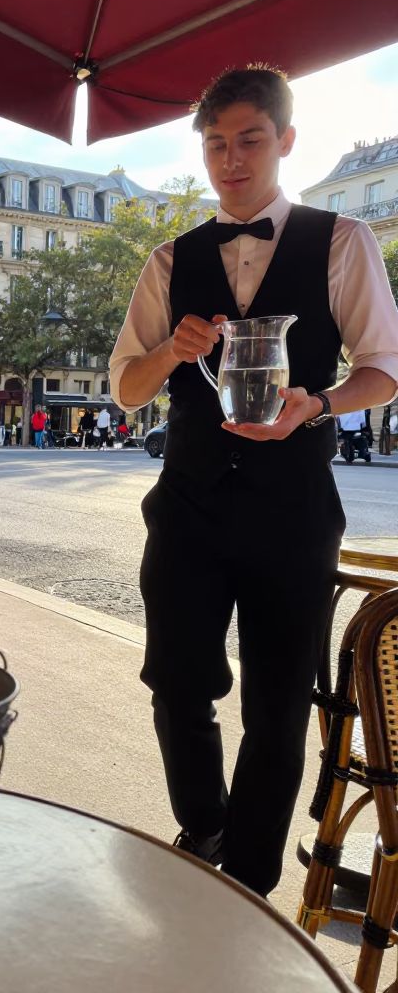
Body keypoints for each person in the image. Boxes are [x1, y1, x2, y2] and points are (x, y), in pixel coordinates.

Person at [109, 67, 398, 898]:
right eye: (214, 144)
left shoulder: (342, 241)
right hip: (188, 506)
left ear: (285, 141)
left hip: (293, 508)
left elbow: (384, 369)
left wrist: (320, 403)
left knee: (278, 703)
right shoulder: (171, 259)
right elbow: (128, 388)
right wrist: (170, 351)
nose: (230, 160)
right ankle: (204, 825)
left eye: (249, 140)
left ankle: (250, 882)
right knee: (176, 682)